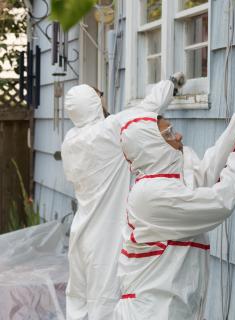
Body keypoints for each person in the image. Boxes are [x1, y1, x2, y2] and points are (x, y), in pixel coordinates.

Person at [113, 75, 235, 319]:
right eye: (169, 133)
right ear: (152, 146)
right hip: (151, 311)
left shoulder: (168, 179)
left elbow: (208, 171)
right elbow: (217, 203)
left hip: (170, 308)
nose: (179, 135)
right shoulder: (151, 195)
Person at [61, 73, 185, 319]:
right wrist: (170, 84)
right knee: (104, 304)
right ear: (94, 106)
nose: (103, 101)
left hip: (79, 235)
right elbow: (147, 107)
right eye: (99, 98)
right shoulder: (108, 131)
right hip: (104, 238)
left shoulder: (70, 140)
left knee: (77, 303)